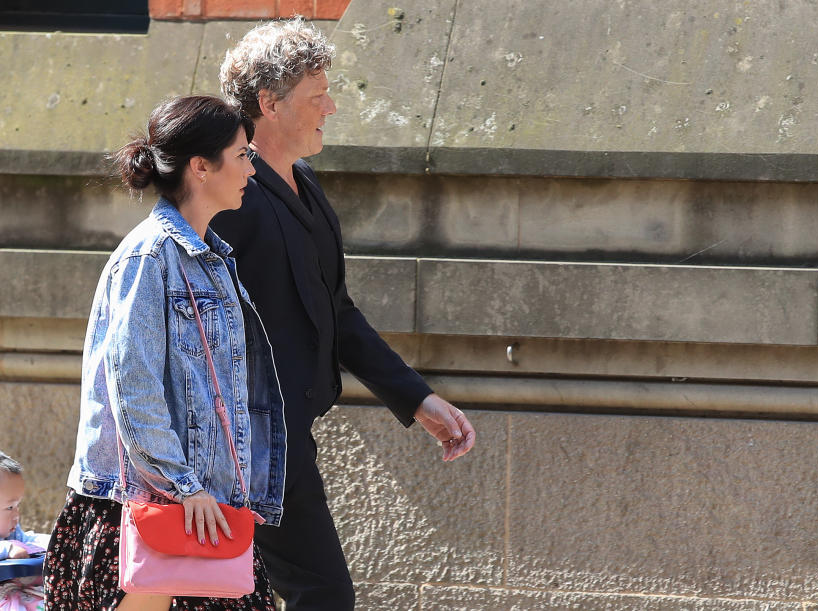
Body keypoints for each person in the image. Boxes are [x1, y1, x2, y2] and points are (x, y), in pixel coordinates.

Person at [213, 18, 477, 610]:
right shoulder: (229, 194)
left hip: (287, 434)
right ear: (268, 104)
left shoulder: (304, 182)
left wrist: (416, 398)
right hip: (248, 440)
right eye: (316, 96)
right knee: (322, 593)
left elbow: (337, 309)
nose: (330, 108)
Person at [43, 96, 287, 611]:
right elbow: (133, 386)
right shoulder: (149, 256)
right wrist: (182, 486)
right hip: (149, 505)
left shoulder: (211, 258)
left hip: (202, 501)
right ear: (201, 166)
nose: (251, 167)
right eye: (242, 154)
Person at [0, 452, 48, 611]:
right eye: (9, 507)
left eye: (18, 506)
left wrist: (53, 542)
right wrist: (8, 549)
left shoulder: (10, 532)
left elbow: (26, 541)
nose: (16, 515)